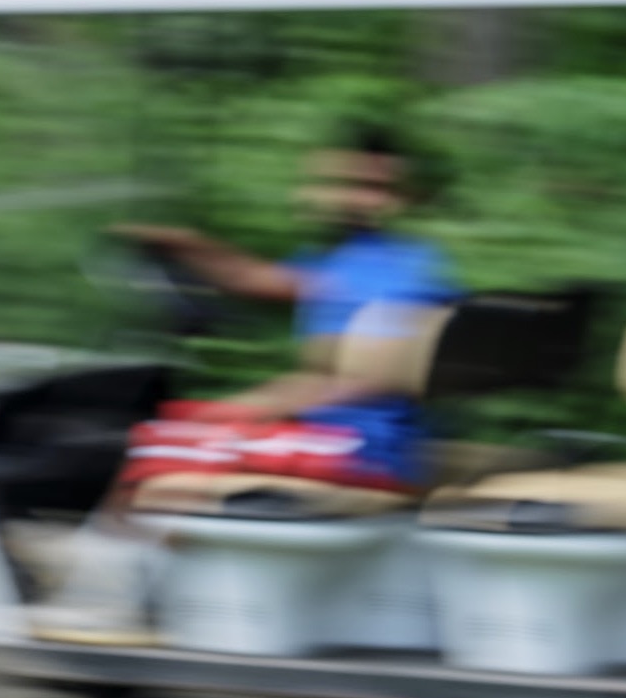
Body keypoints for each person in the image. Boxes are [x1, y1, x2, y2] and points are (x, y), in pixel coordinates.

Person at [111, 128, 457, 498]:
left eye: (368, 187)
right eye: (334, 183)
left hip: (360, 450)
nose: (347, 198)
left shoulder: (398, 272)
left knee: (155, 445)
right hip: (331, 439)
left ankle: (108, 549)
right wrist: (187, 244)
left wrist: (260, 405)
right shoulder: (346, 258)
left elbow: (379, 376)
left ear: (399, 198)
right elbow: (257, 279)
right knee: (168, 422)